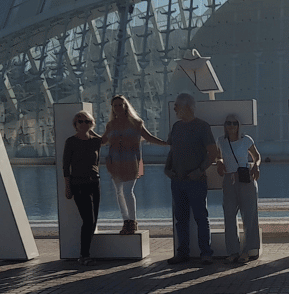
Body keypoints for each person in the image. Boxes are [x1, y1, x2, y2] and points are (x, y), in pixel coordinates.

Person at [163, 92, 220, 265]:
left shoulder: (202, 126)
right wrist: (167, 169)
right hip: (178, 180)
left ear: (187, 107)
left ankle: (206, 252)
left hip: (196, 181)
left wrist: (199, 170)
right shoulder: (176, 127)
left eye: (176, 107)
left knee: (200, 217)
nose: (174, 110)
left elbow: (213, 153)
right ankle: (183, 252)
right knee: (180, 219)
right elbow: (172, 150)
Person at [103, 95, 168, 235]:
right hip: (115, 163)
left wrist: (166, 143)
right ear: (112, 108)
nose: (118, 108)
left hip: (131, 161)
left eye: (121, 105)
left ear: (126, 106)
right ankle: (125, 221)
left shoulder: (136, 123)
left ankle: (132, 221)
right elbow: (102, 141)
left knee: (127, 191)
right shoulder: (111, 125)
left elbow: (149, 137)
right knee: (119, 192)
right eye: (115, 106)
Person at [216, 113, 261, 264]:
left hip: (245, 178)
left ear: (238, 125)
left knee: (249, 216)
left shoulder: (246, 140)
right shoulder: (221, 141)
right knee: (229, 216)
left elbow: (257, 156)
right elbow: (218, 156)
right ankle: (233, 251)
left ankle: (247, 251)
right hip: (229, 179)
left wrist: (256, 166)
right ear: (225, 126)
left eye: (234, 123)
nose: (231, 126)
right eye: (228, 123)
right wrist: (219, 162)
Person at [62, 110, 104, 265]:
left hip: (95, 182)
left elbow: (104, 141)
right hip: (78, 184)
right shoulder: (71, 141)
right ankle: (84, 255)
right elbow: (66, 167)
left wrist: (90, 130)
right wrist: (68, 188)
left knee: (93, 221)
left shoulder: (95, 141)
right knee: (88, 220)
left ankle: (86, 254)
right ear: (75, 124)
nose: (84, 124)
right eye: (80, 121)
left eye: (87, 121)